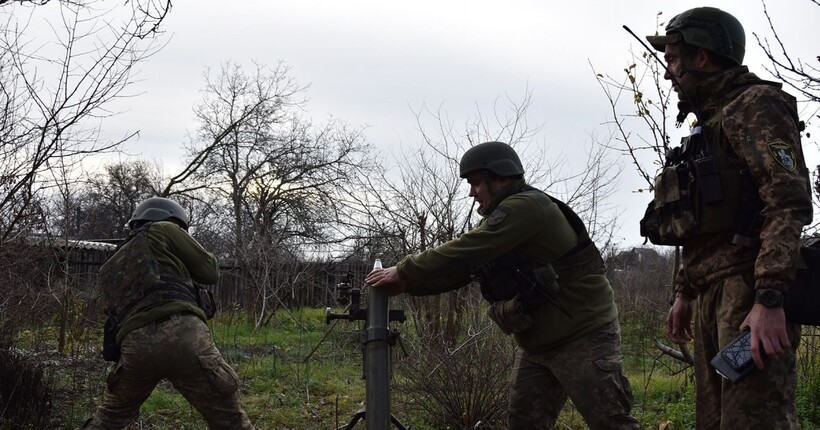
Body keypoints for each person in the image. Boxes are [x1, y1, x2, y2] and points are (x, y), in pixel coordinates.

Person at [366, 141, 639, 430]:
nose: (472, 193)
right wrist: (408, 283)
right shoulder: (505, 219)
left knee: (611, 423)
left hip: (583, 336)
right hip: (537, 344)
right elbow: (467, 268)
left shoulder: (526, 207)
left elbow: (469, 247)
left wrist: (405, 268)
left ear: (502, 178)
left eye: (476, 183)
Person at [643, 7, 812, 429]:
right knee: (714, 422)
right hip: (712, 294)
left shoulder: (755, 105)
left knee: (754, 421)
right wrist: (685, 290)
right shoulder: (709, 124)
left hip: (748, 292)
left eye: (674, 58)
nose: (668, 73)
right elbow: (701, 223)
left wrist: (769, 298)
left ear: (703, 56)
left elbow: (788, 201)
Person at [82, 197, 254, 430]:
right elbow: (210, 272)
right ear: (173, 220)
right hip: (182, 334)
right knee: (229, 418)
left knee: (111, 417)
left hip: (134, 346)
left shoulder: (113, 261)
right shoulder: (164, 228)